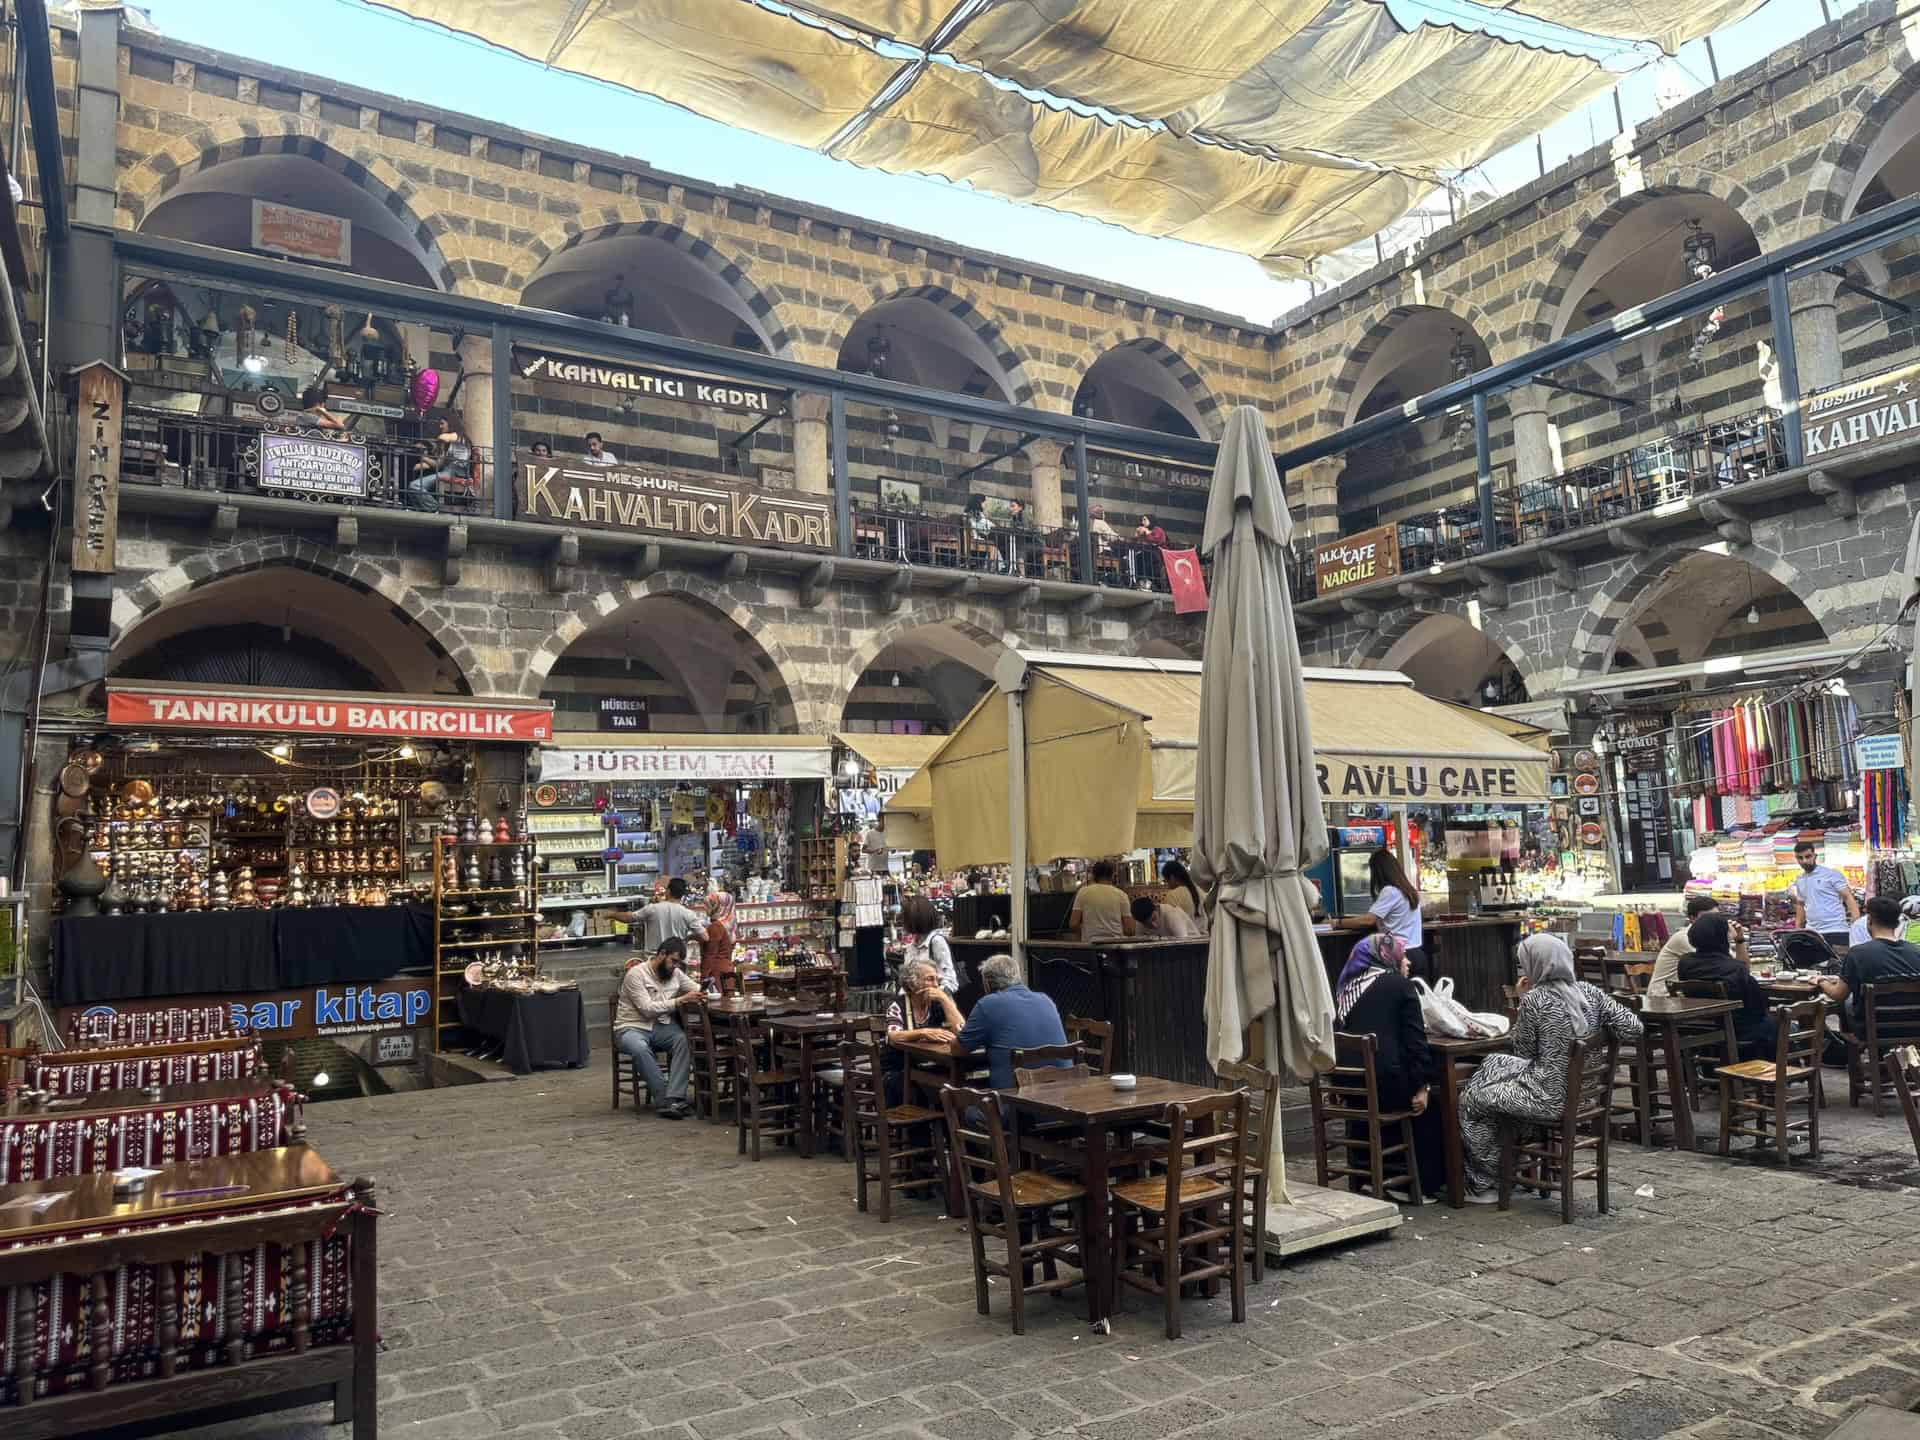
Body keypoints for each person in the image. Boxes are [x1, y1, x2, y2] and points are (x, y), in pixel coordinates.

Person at [1458, 934, 1642, 1202]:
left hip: (1550, 1099)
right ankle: (1510, 1165)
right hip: (1585, 1096)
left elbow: (1523, 1052)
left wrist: (1523, 999)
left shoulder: (1536, 1000)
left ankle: (1486, 1180)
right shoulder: (1590, 992)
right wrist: (1600, 1032)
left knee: (1471, 1100)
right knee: (1492, 1066)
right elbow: (1633, 1027)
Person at [1334, 934, 1440, 1202]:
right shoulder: (1399, 985)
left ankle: (1367, 1176)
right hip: (1384, 1086)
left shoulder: (1346, 986)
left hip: (1348, 1086)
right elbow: (1417, 1044)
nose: (1407, 961)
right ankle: (1418, 1184)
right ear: (1385, 956)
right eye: (1401, 955)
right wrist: (1423, 1086)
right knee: (1435, 1101)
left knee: (1392, 1081)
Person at [612, 936, 703, 1119]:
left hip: (661, 1027)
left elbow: (696, 988)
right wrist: (680, 1000)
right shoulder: (636, 974)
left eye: (678, 962)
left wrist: (703, 991)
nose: (675, 966)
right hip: (631, 1027)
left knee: (683, 1040)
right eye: (673, 961)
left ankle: (675, 1097)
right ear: (662, 954)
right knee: (639, 1048)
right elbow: (646, 1009)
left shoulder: (675, 973)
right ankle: (664, 1100)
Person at [955, 954, 1069, 1090]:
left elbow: (957, 1050)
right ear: (1018, 977)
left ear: (986, 983)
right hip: (1061, 1096)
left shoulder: (988, 1004)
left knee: (965, 1106)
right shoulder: (1046, 1000)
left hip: (1016, 1102)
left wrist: (958, 1031)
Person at [1676, 911, 1773, 1059]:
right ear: (1723, 937)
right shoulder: (1734, 968)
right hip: (1737, 1028)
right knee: (1780, 1022)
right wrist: (1738, 940)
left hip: (1701, 1025)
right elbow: (1758, 1006)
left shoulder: (1685, 963)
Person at [1821, 895, 1920, 1035]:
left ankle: (1852, 1045)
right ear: (1898, 923)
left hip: (1874, 1030)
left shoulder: (1858, 954)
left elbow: (1838, 995)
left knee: (1847, 1004)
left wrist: (1821, 981)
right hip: (1914, 1029)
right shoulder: (1917, 952)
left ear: (1869, 921)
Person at [1335, 848, 1426, 981]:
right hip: (1417, 954)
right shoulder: (1409, 890)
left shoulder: (1390, 891)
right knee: (1416, 998)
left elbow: (1368, 920)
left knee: (1395, 999)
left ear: (1378, 872)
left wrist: (1338, 923)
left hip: (1399, 956)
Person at [1649, 894, 1745, 998]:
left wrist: (1739, 940)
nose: (1714, 921)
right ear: (1692, 918)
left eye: (1717, 916)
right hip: (1663, 997)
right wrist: (1727, 937)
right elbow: (1727, 966)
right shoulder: (1684, 937)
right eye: (1707, 917)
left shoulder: (1714, 936)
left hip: (1686, 997)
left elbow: (1738, 966)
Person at [611, 877, 709, 963]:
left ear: (668, 891)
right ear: (682, 895)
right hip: (675, 959)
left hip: (653, 958)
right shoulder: (688, 914)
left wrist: (611, 914)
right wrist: (687, 938)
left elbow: (628, 918)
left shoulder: (652, 909)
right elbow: (705, 937)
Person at [1790, 839, 1859, 949]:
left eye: (1808, 856)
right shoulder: (1800, 880)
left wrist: (1856, 922)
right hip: (1812, 932)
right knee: (1813, 966)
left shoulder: (1831, 874)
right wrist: (1798, 928)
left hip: (1836, 930)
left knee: (1838, 964)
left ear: (1815, 856)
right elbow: (1800, 904)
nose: (1804, 861)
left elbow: (1848, 896)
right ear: (1796, 859)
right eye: (1800, 858)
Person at [898, 895, 959, 991]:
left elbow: (951, 981)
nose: (903, 922)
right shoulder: (912, 946)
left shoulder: (936, 942)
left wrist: (935, 995)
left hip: (934, 1001)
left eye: (905, 918)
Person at [1069, 860, 1136, 941]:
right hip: (1115, 946)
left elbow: (1073, 924)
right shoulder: (1121, 895)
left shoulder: (1083, 892)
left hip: (1090, 946)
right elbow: (1130, 930)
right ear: (1112, 875)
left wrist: (1084, 933)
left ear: (1093, 876)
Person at [1160, 860, 1205, 932]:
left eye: (1167, 881)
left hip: (1185, 940)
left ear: (1172, 878)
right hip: (1206, 938)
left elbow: (1170, 923)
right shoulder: (1201, 891)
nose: (1168, 886)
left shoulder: (1173, 895)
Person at [701, 891, 736, 984]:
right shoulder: (729, 924)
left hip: (716, 973)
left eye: (708, 905)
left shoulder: (716, 926)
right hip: (727, 971)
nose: (704, 908)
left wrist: (704, 977)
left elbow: (710, 954)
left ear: (718, 906)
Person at [1131, 893, 1197, 940]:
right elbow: (1140, 944)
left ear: (1156, 908)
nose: (1154, 925)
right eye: (1147, 924)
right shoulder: (1140, 920)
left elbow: (1184, 944)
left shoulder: (1172, 915)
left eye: (1154, 918)